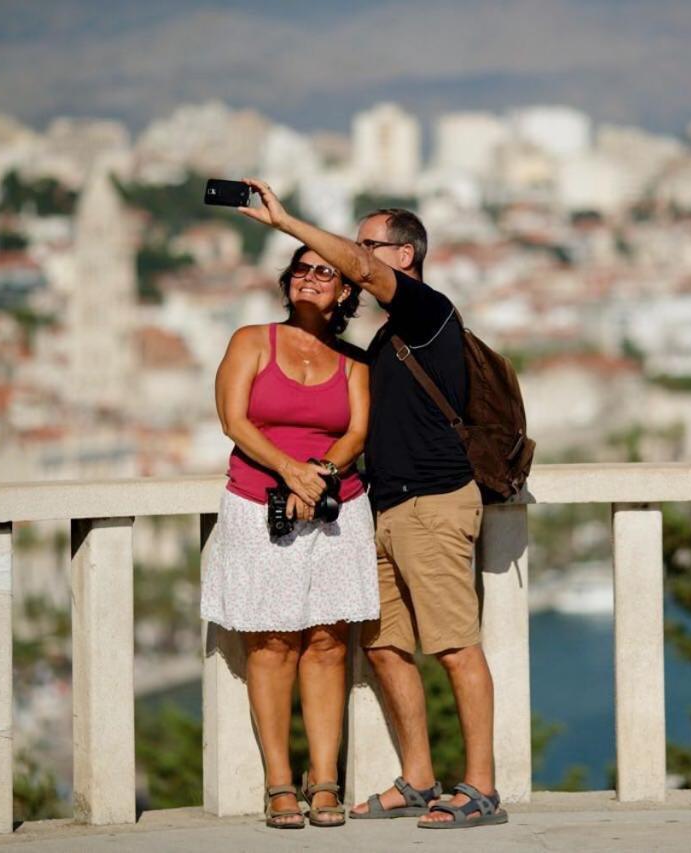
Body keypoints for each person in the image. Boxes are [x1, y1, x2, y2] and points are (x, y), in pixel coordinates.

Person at [238, 181, 507, 830]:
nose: (354, 256)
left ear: (404, 256)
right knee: (386, 646)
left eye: (366, 245)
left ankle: (482, 786)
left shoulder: (426, 310)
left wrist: (288, 224)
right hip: (384, 511)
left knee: (455, 645)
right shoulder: (385, 338)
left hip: (434, 504)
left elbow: (357, 271)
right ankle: (418, 776)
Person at [200, 245, 378, 830]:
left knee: (328, 641)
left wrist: (319, 473)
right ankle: (280, 782)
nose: (309, 278)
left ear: (346, 292)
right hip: (258, 505)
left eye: (323, 271)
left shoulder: (355, 362)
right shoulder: (252, 341)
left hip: (333, 509)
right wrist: (290, 470)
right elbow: (234, 419)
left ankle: (323, 780)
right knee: (271, 644)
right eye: (300, 269)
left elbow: (356, 433)